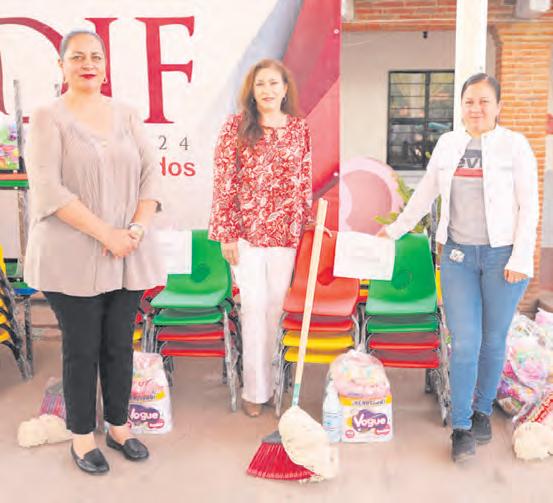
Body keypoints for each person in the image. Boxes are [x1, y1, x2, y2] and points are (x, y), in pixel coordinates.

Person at [25, 30, 165, 474]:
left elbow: (151, 174)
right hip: (70, 256)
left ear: (106, 66)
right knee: (82, 347)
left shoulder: (126, 114)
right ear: (62, 66)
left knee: (119, 344)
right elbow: (48, 189)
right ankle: (82, 436)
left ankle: (119, 426)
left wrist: (135, 228)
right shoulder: (47, 117)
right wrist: (107, 234)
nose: (88, 64)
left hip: (127, 254)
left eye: (96, 57)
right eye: (78, 57)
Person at [379, 73, 538, 462]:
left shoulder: (515, 145)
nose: (476, 108)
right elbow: (425, 193)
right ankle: (462, 427)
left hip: (503, 258)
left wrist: (520, 257)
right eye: (469, 101)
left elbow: (529, 205)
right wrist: (395, 230)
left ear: (498, 107)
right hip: (457, 258)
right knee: (465, 341)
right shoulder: (449, 144)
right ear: (461, 105)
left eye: (484, 101)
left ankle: (483, 411)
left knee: (493, 339)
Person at [208, 59, 312, 418]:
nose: (267, 90)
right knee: (253, 308)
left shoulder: (299, 128)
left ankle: (276, 385)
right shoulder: (235, 127)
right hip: (246, 235)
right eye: (260, 84)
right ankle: (254, 391)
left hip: (285, 234)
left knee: (276, 310)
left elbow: (304, 180)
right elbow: (224, 181)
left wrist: (308, 223)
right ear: (252, 91)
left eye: (273, 83)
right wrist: (226, 233)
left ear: (285, 89)